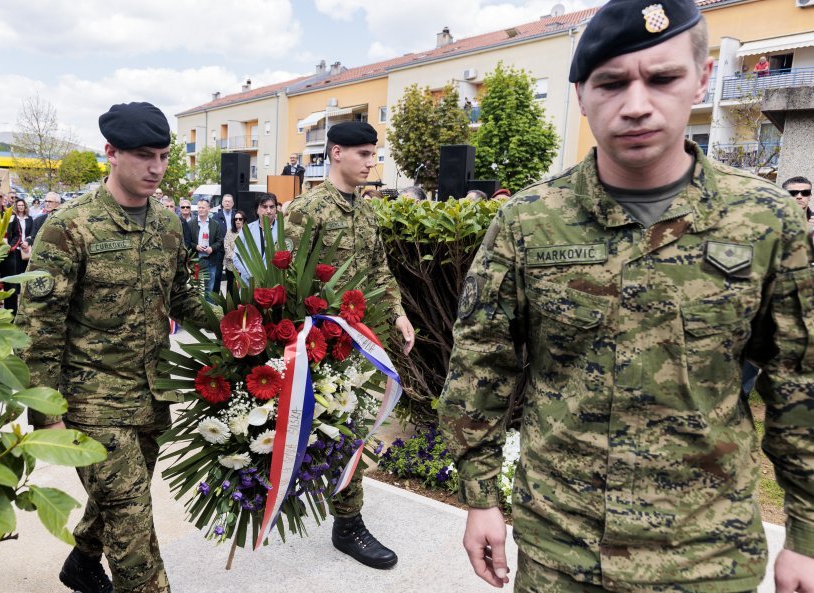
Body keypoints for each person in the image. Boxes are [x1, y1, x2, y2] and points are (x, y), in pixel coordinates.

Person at [439, 1, 814, 592]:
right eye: (611, 83)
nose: (637, 104)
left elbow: (800, 383)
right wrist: (481, 497)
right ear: (582, 95)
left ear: (702, 80)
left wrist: (806, 534)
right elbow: (481, 363)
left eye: (662, 78)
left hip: (705, 554)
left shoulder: (767, 221)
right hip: (561, 548)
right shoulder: (529, 222)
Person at [16, 101, 210, 593]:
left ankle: (81, 563)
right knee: (132, 520)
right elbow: (38, 327)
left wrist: (245, 327)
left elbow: (184, 296)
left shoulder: (168, 225)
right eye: (145, 155)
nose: (157, 168)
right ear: (111, 152)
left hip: (151, 394)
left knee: (122, 496)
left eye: (164, 156)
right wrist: (47, 414)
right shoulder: (69, 226)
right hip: (91, 401)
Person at [284, 121, 415, 570]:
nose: (370, 162)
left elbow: (379, 270)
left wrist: (397, 313)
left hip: (362, 341)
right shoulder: (307, 210)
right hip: (320, 346)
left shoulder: (365, 211)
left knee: (354, 429)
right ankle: (342, 518)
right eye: (362, 154)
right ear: (336, 153)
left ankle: (345, 521)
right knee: (330, 430)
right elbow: (283, 280)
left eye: (373, 154)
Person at [233, 193, 280, 283]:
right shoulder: (247, 230)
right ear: (257, 210)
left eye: (272, 207)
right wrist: (251, 276)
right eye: (264, 207)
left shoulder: (282, 230)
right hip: (249, 283)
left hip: (274, 283)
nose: (269, 211)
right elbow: (236, 256)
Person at [186, 196, 223, 299]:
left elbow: (220, 241)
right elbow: (187, 242)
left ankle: (209, 311)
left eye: (203, 207)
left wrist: (212, 248)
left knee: (209, 288)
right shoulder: (190, 224)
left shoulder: (215, 224)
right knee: (195, 287)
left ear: (209, 209)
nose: (201, 210)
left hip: (210, 260)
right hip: (196, 261)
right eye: (199, 207)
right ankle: (196, 310)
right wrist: (195, 246)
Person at [2, 198, 35, 311]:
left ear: (25, 207)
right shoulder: (13, 218)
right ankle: (16, 295)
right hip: (15, 249)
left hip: (26, 248)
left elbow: (32, 233)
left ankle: (25, 295)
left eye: (22, 205)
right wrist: (17, 243)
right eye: (19, 205)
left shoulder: (30, 219)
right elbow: (13, 233)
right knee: (16, 272)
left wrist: (27, 241)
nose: (21, 207)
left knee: (26, 272)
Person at [211, 194, 237, 292]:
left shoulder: (237, 216)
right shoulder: (215, 217)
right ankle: (216, 300)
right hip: (219, 250)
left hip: (232, 250)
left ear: (233, 203)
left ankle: (230, 301)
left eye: (229, 201)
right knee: (217, 275)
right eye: (225, 201)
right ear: (222, 203)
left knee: (231, 276)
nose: (227, 203)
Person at [222, 210, 245, 293]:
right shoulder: (230, 231)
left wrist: (242, 259)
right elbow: (226, 246)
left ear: (244, 220)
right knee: (231, 286)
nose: (238, 221)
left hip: (244, 265)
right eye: (236, 219)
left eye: (240, 219)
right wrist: (236, 258)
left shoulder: (248, 232)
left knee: (243, 287)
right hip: (231, 265)